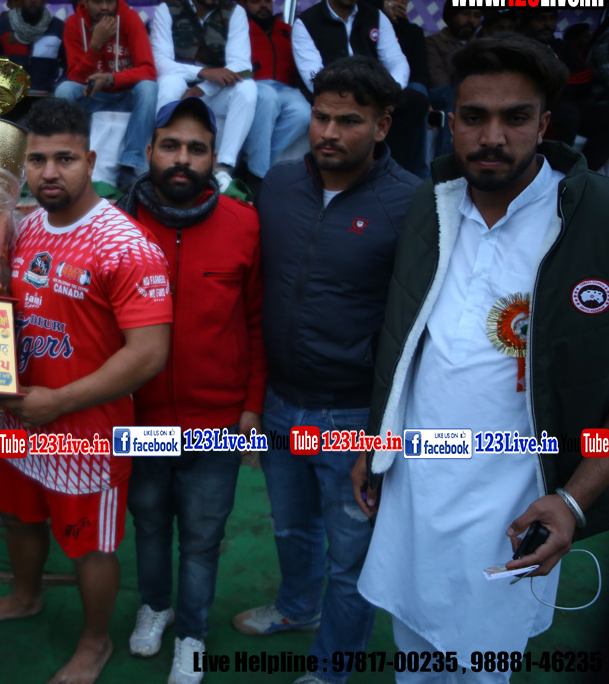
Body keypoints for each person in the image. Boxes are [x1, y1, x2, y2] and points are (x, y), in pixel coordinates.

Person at [354, 34, 609, 681]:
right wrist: (375, 445)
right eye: (474, 117)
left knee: (482, 665)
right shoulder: (431, 203)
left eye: (515, 117)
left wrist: (575, 499)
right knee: (413, 651)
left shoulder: (594, 220)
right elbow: (404, 343)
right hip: (414, 486)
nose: (492, 136)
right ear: (451, 121)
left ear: (544, 125)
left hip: (515, 501)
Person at [0, 97, 172, 684]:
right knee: (16, 515)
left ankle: (94, 642)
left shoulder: (124, 244)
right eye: (36, 160)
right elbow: (12, 315)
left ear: (92, 161)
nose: (49, 172)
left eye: (65, 159)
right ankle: (25, 596)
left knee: (88, 545)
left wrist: (58, 402)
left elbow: (149, 354)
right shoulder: (26, 227)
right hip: (20, 420)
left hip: (87, 435)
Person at [232, 56, 420, 684]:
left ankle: (332, 669)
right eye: (320, 117)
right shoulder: (280, 184)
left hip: (352, 417)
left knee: (351, 558)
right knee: (291, 529)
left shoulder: (411, 204)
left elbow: (414, 326)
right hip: (281, 402)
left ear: (383, 125)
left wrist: (382, 430)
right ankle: (295, 608)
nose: (329, 132)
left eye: (349, 120)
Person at [117, 98, 265, 684]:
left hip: (217, 422)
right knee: (150, 524)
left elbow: (256, 322)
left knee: (203, 537)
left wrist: (252, 405)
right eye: (171, 146)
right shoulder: (117, 226)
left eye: (196, 149)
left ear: (213, 158)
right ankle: (156, 606)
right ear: (149, 150)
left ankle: (193, 634)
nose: (183, 159)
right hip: (140, 418)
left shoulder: (245, 223)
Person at [292, 0, 430, 178]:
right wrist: (358, 95)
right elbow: (314, 77)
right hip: (333, 97)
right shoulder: (306, 23)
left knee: (416, 101)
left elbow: (397, 61)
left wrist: (390, 91)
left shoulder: (375, 16)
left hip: (377, 93)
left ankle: (401, 174)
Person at [150, 0, 257, 194]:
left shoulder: (234, 12)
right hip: (180, 88)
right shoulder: (167, 11)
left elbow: (241, 65)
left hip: (214, 92)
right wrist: (200, 73)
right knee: (169, 82)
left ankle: (223, 168)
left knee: (247, 89)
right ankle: (163, 159)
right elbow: (160, 62)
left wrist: (203, 88)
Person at [57, 0, 158, 192]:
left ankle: (130, 163)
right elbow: (75, 76)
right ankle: (68, 155)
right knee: (64, 91)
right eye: (97, 0)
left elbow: (148, 70)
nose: (104, 6)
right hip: (93, 97)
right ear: (85, 1)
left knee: (149, 88)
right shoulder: (73, 23)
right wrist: (96, 45)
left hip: (125, 95)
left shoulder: (130, 18)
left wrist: (111, 79)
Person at [239, 0, 311, 194]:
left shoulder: (287, 30)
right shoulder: (239, 29)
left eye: (267, 0)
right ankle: (259, 177)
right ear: (244, 4)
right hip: (253, 86)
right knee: (268, 97)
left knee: (303, 112)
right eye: (256, 1)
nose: (263, 5)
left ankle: (255, 165)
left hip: (285, 88)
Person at [520, 7, 609, 172]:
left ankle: (585, 172)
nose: (547, 24)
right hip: (536, 104)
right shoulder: (520, 46)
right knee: (567, 115)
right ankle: (557, 170)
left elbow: (584, 77)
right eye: (541, 19)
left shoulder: (561, 47)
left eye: (551, 18)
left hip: (569, 102)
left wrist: (557, 83)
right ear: (528, 23)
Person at [371, 0, 430, 177]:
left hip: (404, 88)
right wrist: (382, 14)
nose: (399, 1)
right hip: (374, 84)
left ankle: (419, 172)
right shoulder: (366, 23)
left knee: (419, 93)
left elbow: (420, 71)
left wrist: (399, 26)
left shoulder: (413, 31)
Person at [0, 0, 65, 93]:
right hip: (11, 95)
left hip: (46, 95)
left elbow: (69, 65)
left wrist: (58, 87)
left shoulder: (58, 28)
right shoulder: (3, 26)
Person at [426, 1, 482, 157]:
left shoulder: (483, 46)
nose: (471, 20)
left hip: (476, 95)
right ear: (449, 16)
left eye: (476, 15)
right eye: (465, 13)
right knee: (450, 94)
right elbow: (438, 79)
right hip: (441, 96)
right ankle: (447, 163)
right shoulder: (433, 42)